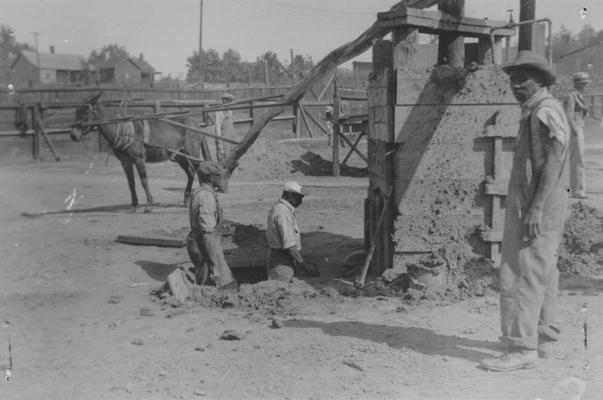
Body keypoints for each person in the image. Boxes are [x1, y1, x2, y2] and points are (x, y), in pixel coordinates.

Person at [480, 51, 571, 372]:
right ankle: (543, 336)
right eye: (512, 79)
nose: (516, 85)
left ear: (542, 81)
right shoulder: (536, 110)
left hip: (539, 205)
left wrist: (534, 209)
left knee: (522, 271)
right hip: (538, 203)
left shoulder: (544, 111)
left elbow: (553, 163)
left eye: (523, 79)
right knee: (543, 269)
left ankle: (522, 348)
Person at [186, 162, 237, 290]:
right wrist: (218, 264)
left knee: (206, 279)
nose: (221, 179)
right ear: (210, 178)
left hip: (200, 242)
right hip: (203, 245)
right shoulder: (206, 197)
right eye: (218, 176)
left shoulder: (202, 193)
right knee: (214, 282)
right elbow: (208, 234)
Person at [265, 181, 319, 282]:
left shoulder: (282, 209)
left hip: (282, 258)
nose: (300, 201)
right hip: (281, 262)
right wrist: (303, 264)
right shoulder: (283, 212)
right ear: (289, 195)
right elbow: (289, 245)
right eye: (298, 197)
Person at [564, 71, 590, 199]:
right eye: (584, 84)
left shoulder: (578, 95)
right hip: (575, 130)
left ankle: (577, 189)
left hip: (579, 128)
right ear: (578, 84)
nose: (585, 86)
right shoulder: (571, 96)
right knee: (577, 161)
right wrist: (575, 132)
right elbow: (568, 116)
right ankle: (577, 190)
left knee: (578, 160)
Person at [214, 93, 236, 163]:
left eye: (231, 101)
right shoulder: (219, 112)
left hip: (230, 140)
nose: (230, 103)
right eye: (229, 101)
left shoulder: (230, 111)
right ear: (224, 101)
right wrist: (220, 144)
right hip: (223, 141)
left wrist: (233, 138)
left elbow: (231, 124)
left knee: (231, 159)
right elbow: (217, 129)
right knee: (223, 161)